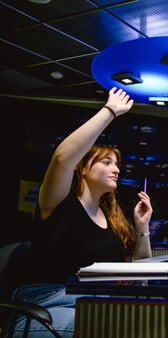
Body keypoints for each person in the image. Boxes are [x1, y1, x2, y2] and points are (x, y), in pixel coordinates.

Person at [9, 87, 153, 337]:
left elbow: (138, 272)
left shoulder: (112, 218)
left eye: (117, 164)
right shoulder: (59, 202)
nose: (116, 169)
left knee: (146, 317)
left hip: (91, 299)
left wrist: (142, 228)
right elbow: (62, 159)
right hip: (45, 304)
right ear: (82, 168)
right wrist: (109, 111)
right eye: (106, 162)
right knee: (127, 325)